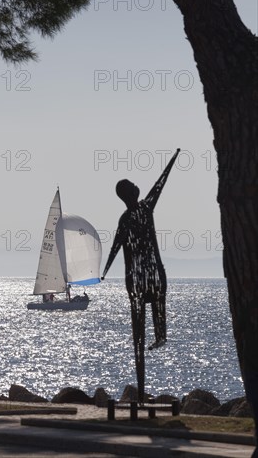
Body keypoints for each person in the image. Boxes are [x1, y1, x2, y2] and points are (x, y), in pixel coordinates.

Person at [102, 149, 180, 402]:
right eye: (135, 186)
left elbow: (115, 247)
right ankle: (159, 336)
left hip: (136, 277)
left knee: (142, 316)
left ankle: (155, 338)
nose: (139, 187)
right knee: (157, 301)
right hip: (148, 274)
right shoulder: (145, 209)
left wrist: (105, 270)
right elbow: (160, 185)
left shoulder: (125, 218)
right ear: (131, 193)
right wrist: (171, 164)